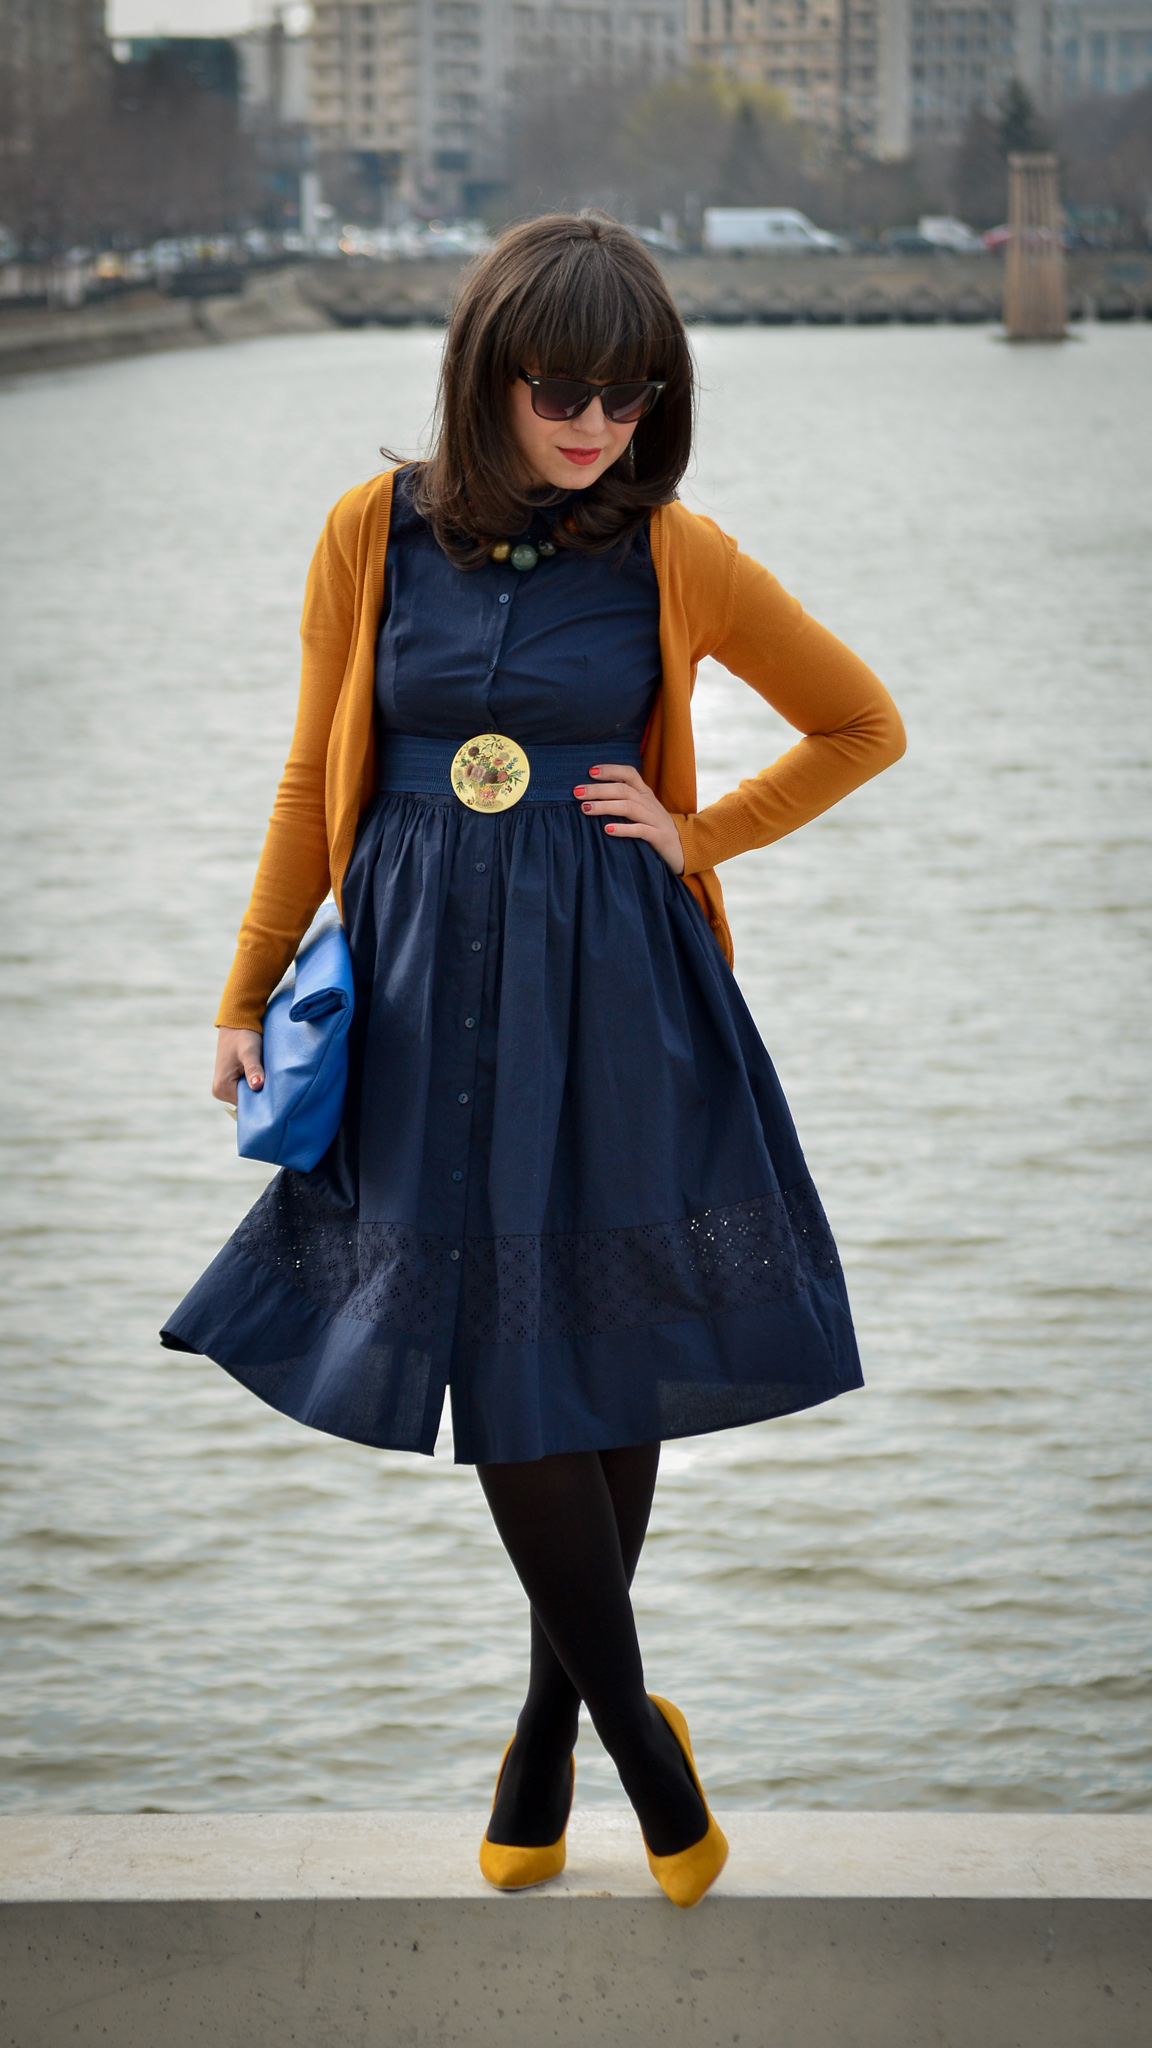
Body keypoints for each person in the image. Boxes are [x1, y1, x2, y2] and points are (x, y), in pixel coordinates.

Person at [162, 211, 905, 1909]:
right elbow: (307, 781)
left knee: (602, 1332)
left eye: (631, 397)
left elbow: (863, 721)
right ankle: (639, 1742)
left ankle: (545, 1734)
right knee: (502, 1348)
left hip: (616, 983)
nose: (595, 426)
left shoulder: (672, 553)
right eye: (561, 389)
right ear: (487, 372)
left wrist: (701, 829)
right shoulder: (371, 534)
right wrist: (243, 988)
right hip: (422, 991)